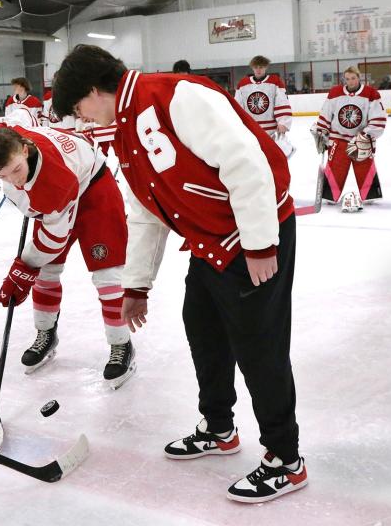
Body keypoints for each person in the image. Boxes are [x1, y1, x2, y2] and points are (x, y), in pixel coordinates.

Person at [52, 44, 306, 504]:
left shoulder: (178, 95)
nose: (82, 119)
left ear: (93, 90)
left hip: (253, 236)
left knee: (259, 346)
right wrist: (137, 284)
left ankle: (285, 459)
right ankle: (219, 426)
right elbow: (147, 209)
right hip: (210, 245)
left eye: (77, 108)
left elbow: (245, 162)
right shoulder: (125, 129)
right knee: (204, 332)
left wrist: (260, 244)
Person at [0, 125, 134, 385]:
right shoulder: (7, 138)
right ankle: (46, 333)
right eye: (3, 176)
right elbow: (4, 128)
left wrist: (23, 268)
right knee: (47, 271)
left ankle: (122, 344)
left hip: (95, 190)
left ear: (25, 150)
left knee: (107, 275)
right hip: (59, 193)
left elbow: (53, 241)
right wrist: (28, 270)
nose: (15, 181)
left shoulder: (52, 183)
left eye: (17, 170)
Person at [312, 66, 387, 204]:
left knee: (364, 168)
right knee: (335, 168)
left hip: (360, 140)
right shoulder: (335, 92)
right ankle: (330, 195)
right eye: (347, 79)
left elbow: (378, 119)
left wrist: (366, 135)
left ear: (359, 77)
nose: (350, 82)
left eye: (353, 78)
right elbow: (326, 114)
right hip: (338, 139)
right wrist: (322, 131)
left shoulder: (371, 93)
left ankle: (369, 195)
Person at [233, 55, 293, 141]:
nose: (258, 70)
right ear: (252, 68)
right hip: (251, 130)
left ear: (266, 67)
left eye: (261, 67)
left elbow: (282, 102)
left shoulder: (275, 82)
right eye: (256, 67)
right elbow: (238, 106)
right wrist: (238, 124)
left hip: (271, 131)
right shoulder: (243, 84)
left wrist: (283, 122)